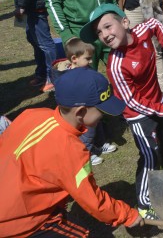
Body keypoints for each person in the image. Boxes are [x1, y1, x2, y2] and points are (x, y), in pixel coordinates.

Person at [0, 67, 142, 237]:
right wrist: (127, 215)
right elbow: (92, 198)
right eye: (101, 111)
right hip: (20, 221)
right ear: (81, 112)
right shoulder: (71, 150)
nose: (103, 116)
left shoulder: (32, 114)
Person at [80, 3, 163, 220]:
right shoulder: (116, 66)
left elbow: (155, 24)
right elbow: (133, 101)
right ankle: (144, 203)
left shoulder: (142, 32)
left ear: (125, 22)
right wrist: (162, 110)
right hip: (137, 114)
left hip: (156, 100)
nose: (104, 35)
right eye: (99, 32)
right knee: (149, 155)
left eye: (108, 26)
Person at [51, 38, 117, 166]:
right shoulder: (66, 77)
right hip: (82, 110)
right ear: (74, 58)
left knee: (97, 124)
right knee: (87, 133)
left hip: (93, 106)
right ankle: (87, 153)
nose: (91, 61)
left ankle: (98, 145)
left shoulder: (86, 69)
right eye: (87, 58)